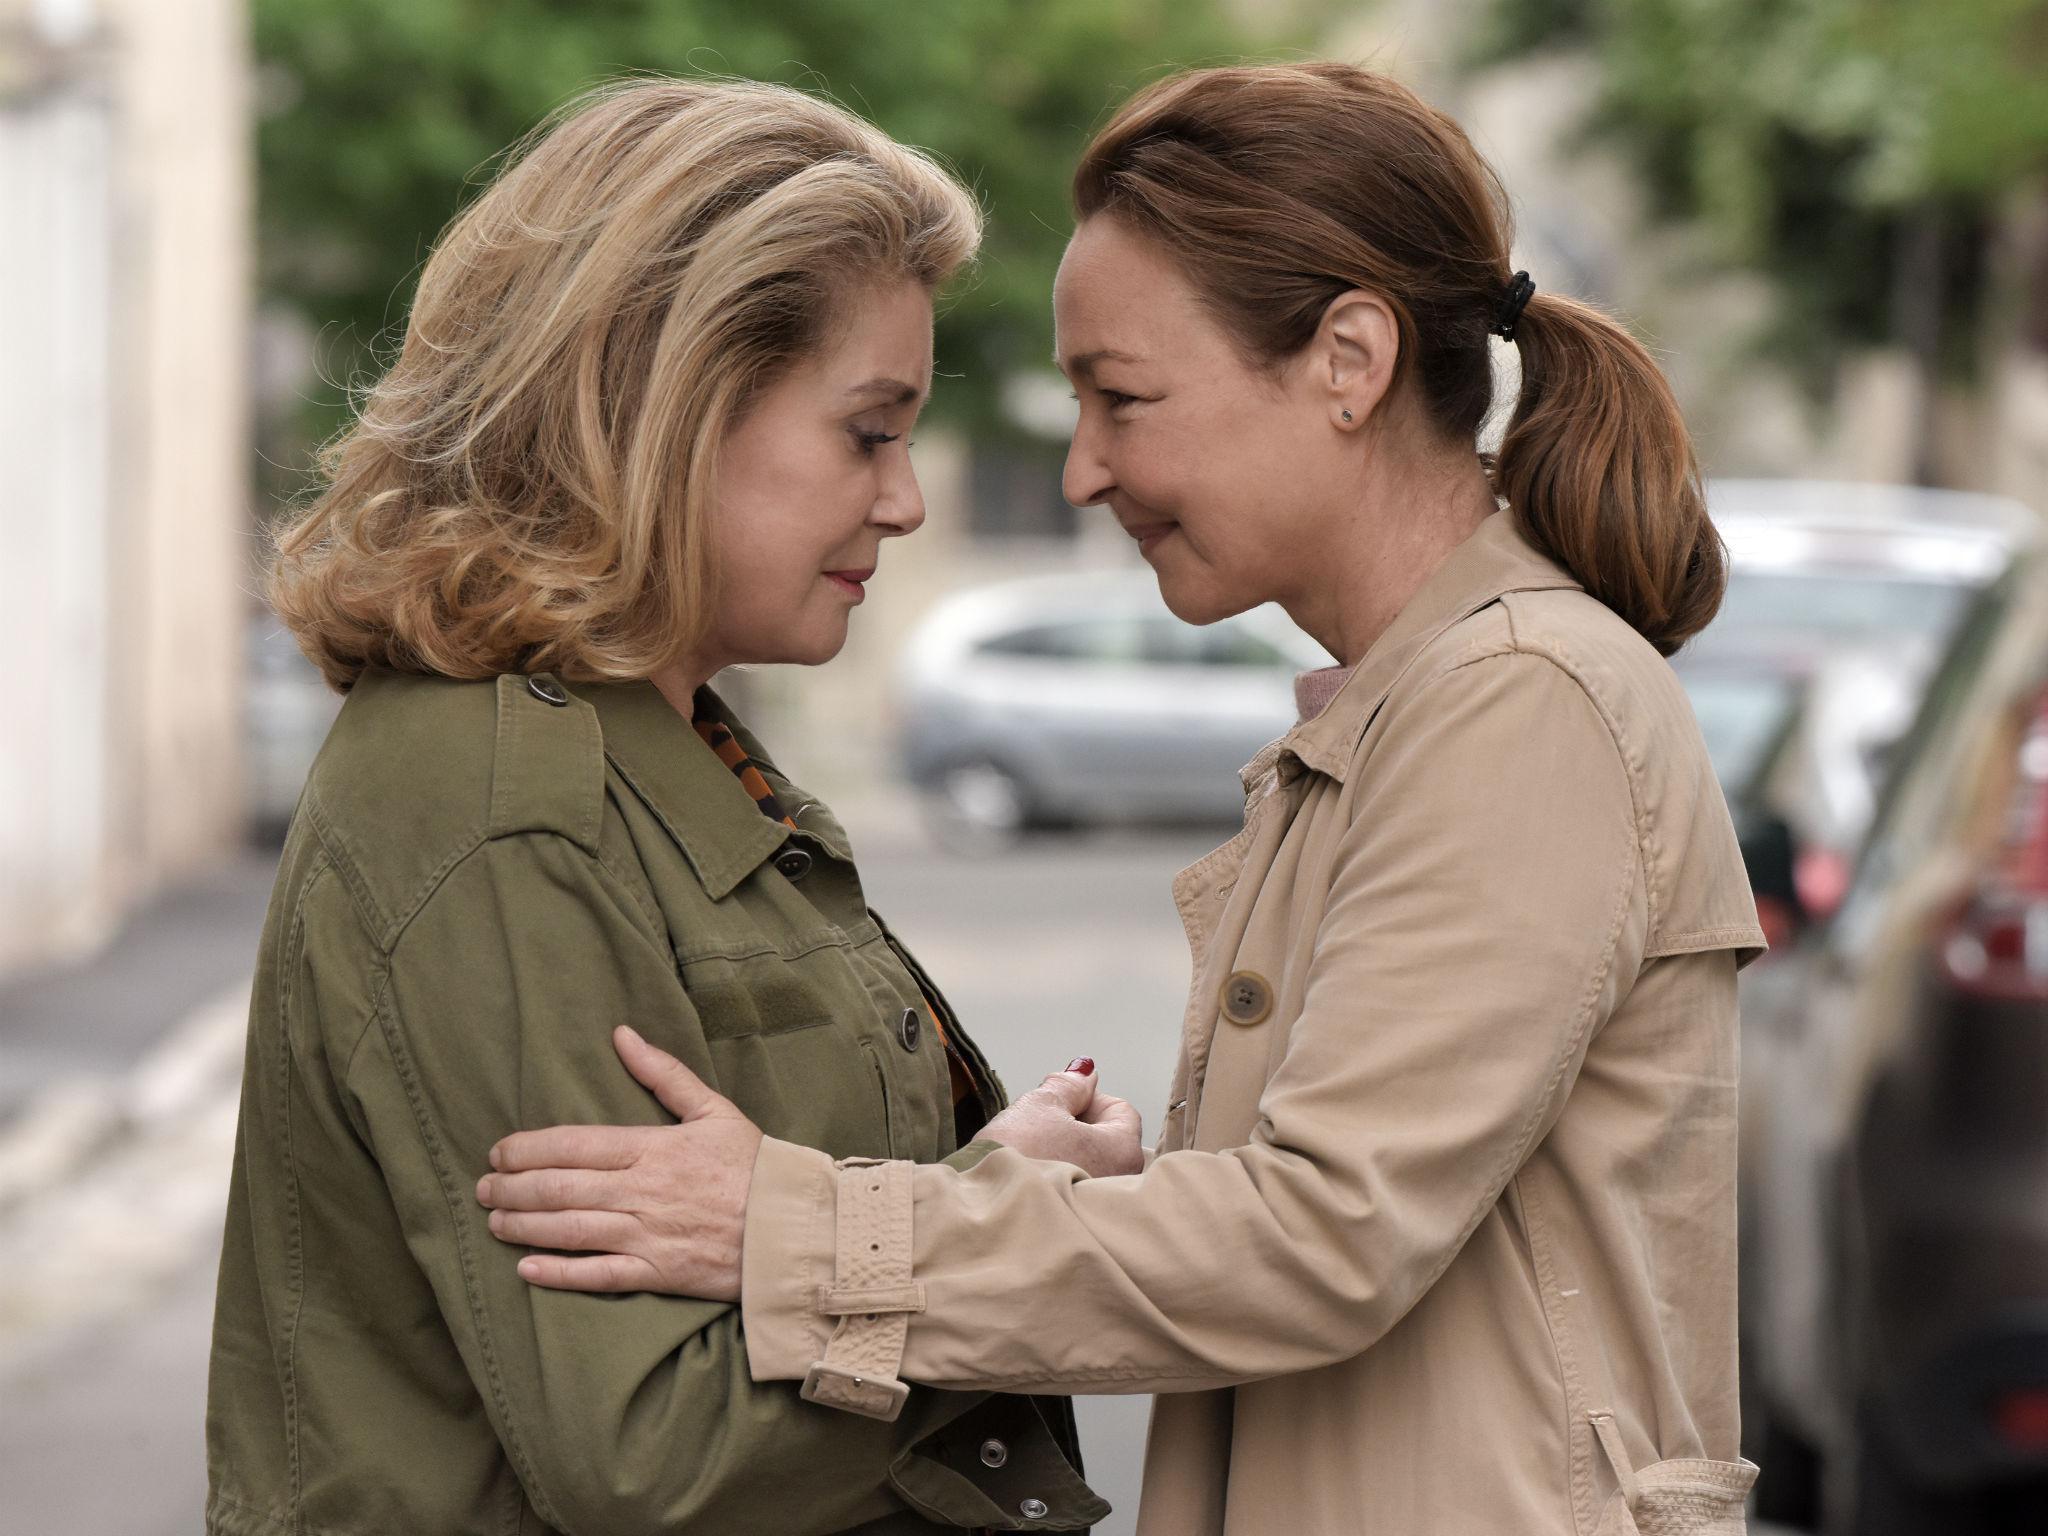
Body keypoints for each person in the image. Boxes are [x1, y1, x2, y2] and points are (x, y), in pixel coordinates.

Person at [474, 61, 1769, 1536]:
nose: (1086, 469)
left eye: (1124, 399)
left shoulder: (1523, 702)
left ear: (1350, 361)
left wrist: (789, 1230)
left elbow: (1316, 1240)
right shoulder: (1423, 705)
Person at [206, 77, 1123, 1536]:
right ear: (668, 409)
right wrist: (997, 1222)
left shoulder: (662, 745)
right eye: (867, 433)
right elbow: (651, 1453)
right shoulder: (505, 807)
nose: (905, 503)